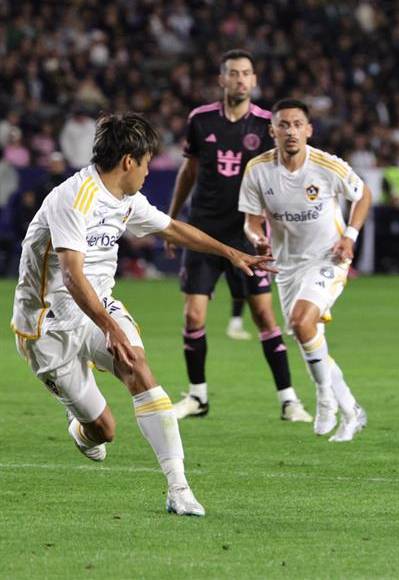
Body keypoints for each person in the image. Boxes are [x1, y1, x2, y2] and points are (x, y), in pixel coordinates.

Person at [11, 113, 276, 516]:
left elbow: (172, 229)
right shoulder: (73, 198)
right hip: (47, 326)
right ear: (129, 161)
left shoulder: (126, 198)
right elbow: (71, 274)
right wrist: (108, 326)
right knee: (104, 431)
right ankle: (81, 427)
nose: (151, 169)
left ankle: (179, 489)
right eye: (148, 161)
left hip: (98, 308)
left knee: (138, 365)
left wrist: (230, 252)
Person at [165, 49, 309, 422]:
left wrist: (277, 225)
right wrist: (172, 219)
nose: (240, 79)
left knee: (263, 314)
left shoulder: (266, 124)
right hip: (201, 231)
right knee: (193, 316)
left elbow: (281, 175)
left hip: (247, 234)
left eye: (246, 73)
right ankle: (197, 397)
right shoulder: (200, 119)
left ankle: (289, 399)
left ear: (254, 80)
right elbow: (190, 171)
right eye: (233, 73)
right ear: (222, 79)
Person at [239, 99, 371, 441]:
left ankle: (325, 399)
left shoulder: (326, 165)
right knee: (310, 337)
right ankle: (352, 410)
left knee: (301, 322)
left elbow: (363, 194)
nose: (291, 131)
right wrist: (258, 239)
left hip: (329, 257)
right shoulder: (257, 170)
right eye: (283, 125)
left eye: (298, 124)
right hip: (286, 267)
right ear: (272, 131)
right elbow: (251, 222)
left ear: (309, 130)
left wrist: (351, 237)